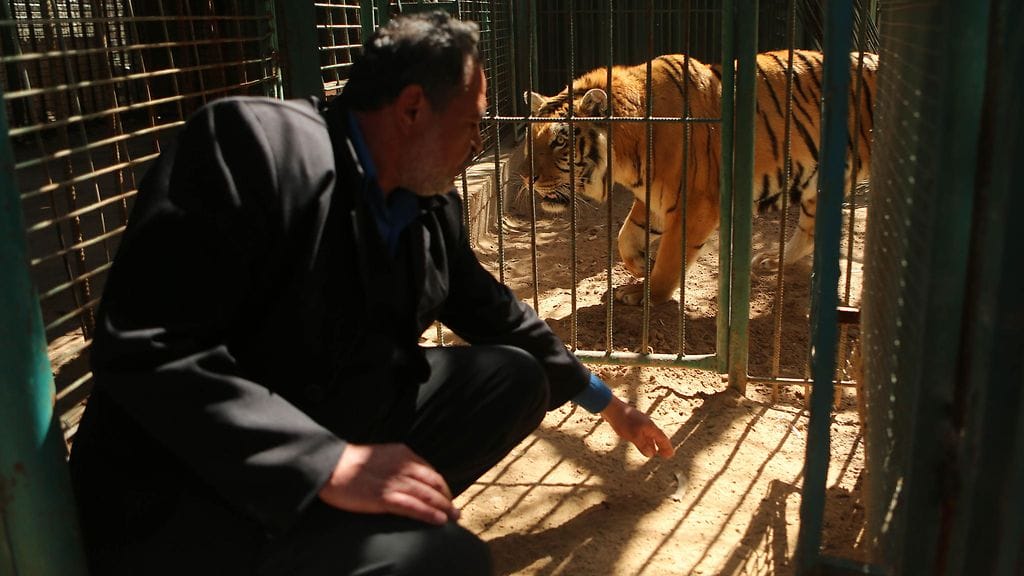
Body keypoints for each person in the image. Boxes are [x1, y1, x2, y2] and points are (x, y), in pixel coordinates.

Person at [69, 11, 675, 576]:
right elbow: (149, 349)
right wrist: (322, 462)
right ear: (412, 109)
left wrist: (606, 403)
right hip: (196, 484)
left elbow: (492, 309)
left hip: (332, 419)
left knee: (515, 378)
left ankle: (353, 527)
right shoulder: (248, 148)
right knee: (451, 560)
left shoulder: (429, 200)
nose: (478, 145)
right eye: (472, 126)